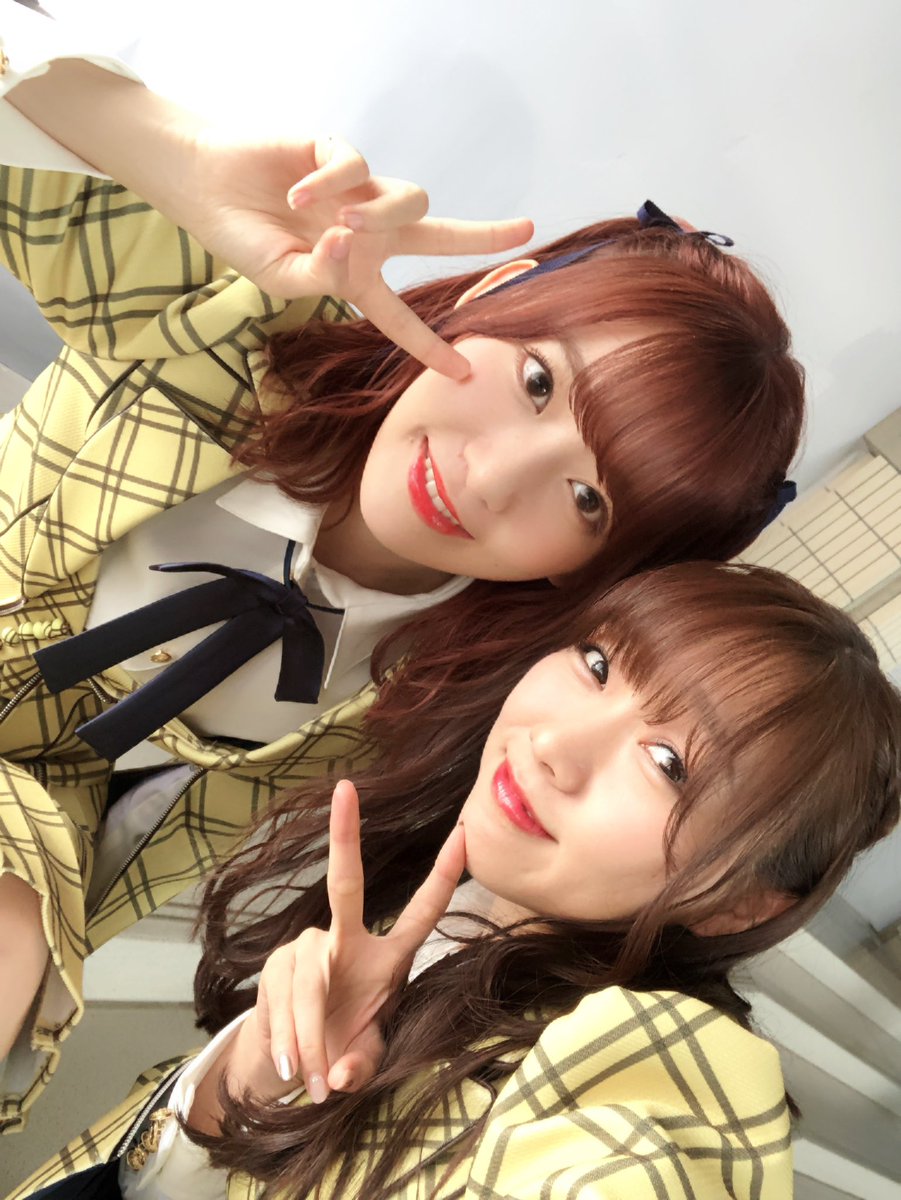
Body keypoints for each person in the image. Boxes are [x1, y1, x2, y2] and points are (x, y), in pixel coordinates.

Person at [0, 10, 803, 1128]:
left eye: (586, 499)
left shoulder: (437, 700)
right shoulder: (247, 323)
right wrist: (165, 147)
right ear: (495, 290)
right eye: (536, 383)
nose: (490, 477)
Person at [10, 561, 900, 1200]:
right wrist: (253, 1075)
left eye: (668, 764)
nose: (552, 744)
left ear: (742, 902)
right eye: (598, 664)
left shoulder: (642, 1077)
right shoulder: (431, 892)